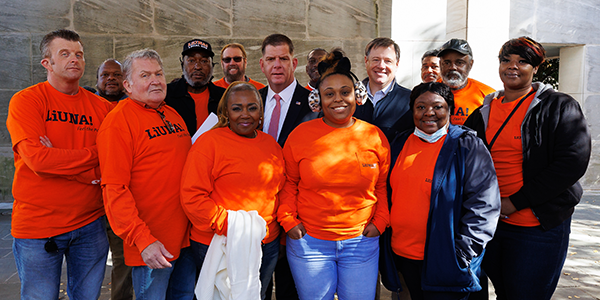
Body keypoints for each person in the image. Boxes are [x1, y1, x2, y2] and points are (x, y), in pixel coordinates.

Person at [464, 37, 591, 300]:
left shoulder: (559, 106)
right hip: (491, 225)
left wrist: (516, 202)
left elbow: (572, 162)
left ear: (536, 68)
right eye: (506, 60)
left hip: (537, 227)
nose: (513, 66)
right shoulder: (482, 113)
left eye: (522, 61)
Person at [6, 29, 112, 299]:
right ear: (47, 63)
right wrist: (93, 155)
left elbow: (113, 162)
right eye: (64, 54)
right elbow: (39, 161)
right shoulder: (26, 101)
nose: (74, 59)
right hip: (38, 227)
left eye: (79, 54)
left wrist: (62, 162)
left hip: (91, 224)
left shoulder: (102, 108)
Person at [278, 49, 390, 300]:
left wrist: (380, 222)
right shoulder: (300, 135)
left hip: (361, 242)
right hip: (310, 243)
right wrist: (289, 221)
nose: (338, 99)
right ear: (318, 99)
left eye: (345, 92)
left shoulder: (374, 136)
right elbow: (288, 184)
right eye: (329, 94)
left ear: (357, 95)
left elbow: (382, 185)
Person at [383, 82, 501, 300]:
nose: (429, 113)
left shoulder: (467, 146)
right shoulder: (399, 143)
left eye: (438, 107)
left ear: (450, 110)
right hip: (403, 256)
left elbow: (485, 204)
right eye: (420, 107)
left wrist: (461, 254)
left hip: (446, 259)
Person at [97, 49, 193, 299]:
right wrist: (143, 240)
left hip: (186, 240)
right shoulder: (118, 122)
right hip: (153, 246)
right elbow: (114, 189)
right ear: (127, 85)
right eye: (145, 75)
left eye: (159, 73)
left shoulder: (172, 114)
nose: (155, 80)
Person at [180, 81, 285, 300]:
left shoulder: (271, 145)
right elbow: (192, 196)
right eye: (237, 108)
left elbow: (279, 190)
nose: (245, 114)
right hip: (220, 241)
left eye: (252, 107)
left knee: (257, 295)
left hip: (267, 242)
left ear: (261, 111)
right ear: (226, 112)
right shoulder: (208, 143)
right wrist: (233, 227)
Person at [258, 33, 317, 299]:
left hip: (297, 209)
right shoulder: (250, 101)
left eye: (283, 58)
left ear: (294, 63)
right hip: (257, 209)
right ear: (262, 65)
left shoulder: (314, 103)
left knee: (289, 287)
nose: (277, 65)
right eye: (271, 59)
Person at [97, 58, 133, 300]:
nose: (111, 78)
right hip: (87, 201)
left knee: (122, 261)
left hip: (120, 196)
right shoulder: (87, 106)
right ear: (97, 80)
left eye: (116, 75)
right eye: (105, 74)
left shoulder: (133, 109)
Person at [354, 37, 413, 142]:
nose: (381, 66)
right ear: (366, 61)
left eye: (388, 61)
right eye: (376, 60)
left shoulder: (410, 101)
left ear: (397, 64)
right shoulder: (348, 97)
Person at [165, 39, 226, 136]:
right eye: (191, 61)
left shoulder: (224, 97)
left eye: (204, 61)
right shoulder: (166, 95)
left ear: (212, 66)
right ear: (182, 65)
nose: (197, 67)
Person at [438, 38, 495, 125]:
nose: (453, 67)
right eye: (447, 63)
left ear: (470, 64)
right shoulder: (427, 93)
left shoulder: (488, 96)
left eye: (459, 63)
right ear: (440, 64)